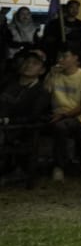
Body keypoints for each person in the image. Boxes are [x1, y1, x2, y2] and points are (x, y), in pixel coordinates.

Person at [0, 52, 50, 185]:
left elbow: (33, 117)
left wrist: (7, 121)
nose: (29, 65)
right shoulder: (7, 83)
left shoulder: (41, 92)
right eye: (27, 61)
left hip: (17, 131)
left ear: (42, 70)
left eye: (35, 63)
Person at [44, 46, 81, 181]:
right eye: (59, 57)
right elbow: (45, 94)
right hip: (55, 113)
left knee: (61, 126)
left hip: (78, 116)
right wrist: (50, 76)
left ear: (76, 58)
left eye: (64, 56)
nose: (60, 60)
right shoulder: (55, 74)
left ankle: (59, 166)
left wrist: (64, 115)